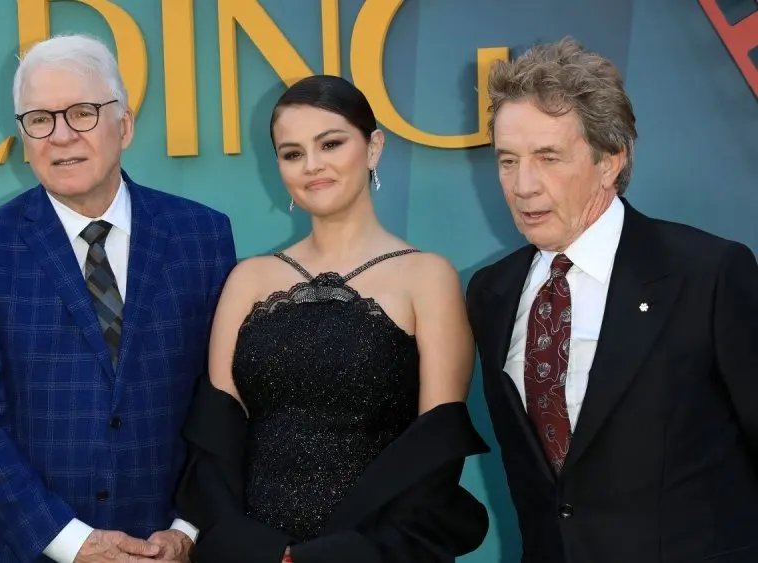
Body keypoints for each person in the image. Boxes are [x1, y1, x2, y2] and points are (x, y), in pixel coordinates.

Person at [0, 34, 237, 563]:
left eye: (81, 113)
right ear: (23, 136)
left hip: (171, 548)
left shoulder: (203, 236)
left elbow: (222, 401)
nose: (60, 136)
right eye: (39, 119)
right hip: (37, 550)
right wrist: (72, 543)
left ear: (124, 124)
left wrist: (189, 526)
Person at [174, 74, 491, 563]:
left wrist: (333, 556)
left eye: (331, 143)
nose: (313, 166)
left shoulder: (427, 277)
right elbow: (217, 442)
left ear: (373, 147)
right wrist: (258, 550)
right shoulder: (248, 279)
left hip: (377, 555)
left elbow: (432, 457)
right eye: (293, 152)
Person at [466, 37, 758, 563]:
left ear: (610, 160)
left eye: (547, 157)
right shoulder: (492, 293)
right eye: (507, 160)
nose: (522, 185)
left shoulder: (707, 274)